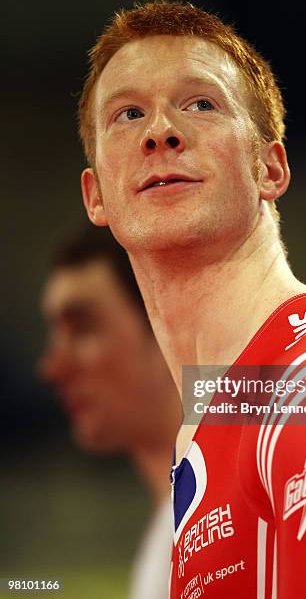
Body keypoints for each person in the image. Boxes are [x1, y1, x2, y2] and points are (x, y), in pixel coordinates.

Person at [78, 0, 306, 598]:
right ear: (96, 197)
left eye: (201, 104)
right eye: (128, 113)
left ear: (269, 167)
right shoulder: (227, 401)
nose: (160, 130)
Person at [38, 226, 182, 599]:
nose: (53, 368)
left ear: (167, 325)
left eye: (82, 328)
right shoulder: (169, 536)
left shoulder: (233, 527)